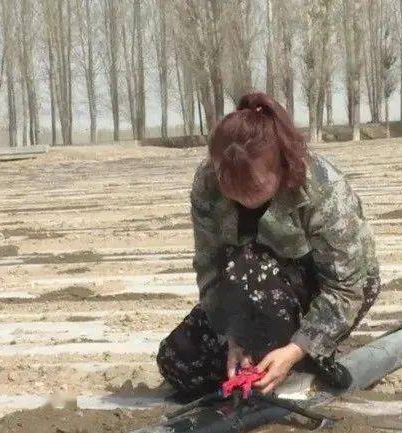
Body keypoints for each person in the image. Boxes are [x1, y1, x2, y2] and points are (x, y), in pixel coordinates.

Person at [156, 91, 380, 402]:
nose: (244, 199)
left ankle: (302, 354)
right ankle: (266, 356)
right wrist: (231, 335)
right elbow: (209, 268)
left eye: (255, 187)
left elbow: (347, 286)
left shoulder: (322, 188)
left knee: (254, 277)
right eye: (232, 190)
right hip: (249, 291)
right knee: (179, 361)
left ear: (281, 167)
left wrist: (294, 349)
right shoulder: (207, 183)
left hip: (322, 290)